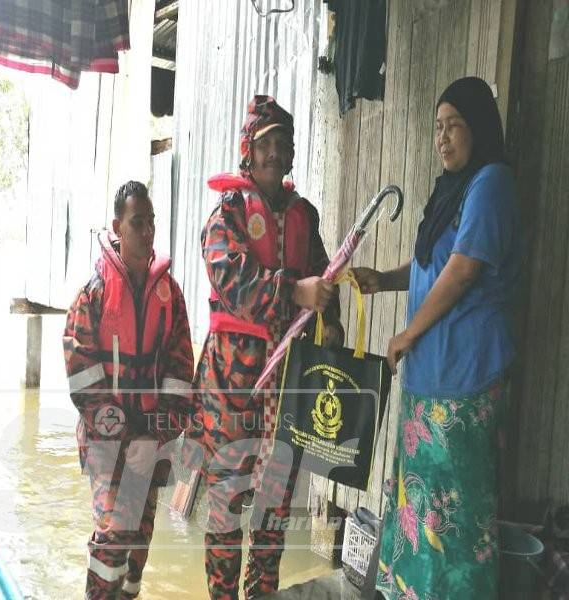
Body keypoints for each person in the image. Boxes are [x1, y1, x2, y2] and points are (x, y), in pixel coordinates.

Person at [352, 77, 521, 598]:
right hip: (431, 377)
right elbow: (433, 263)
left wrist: (406, 333)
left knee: (456, 513)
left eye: (454, 126)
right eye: (437, 128)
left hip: (464, 376)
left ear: (479, 128)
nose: (443, 138)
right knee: (421, 507)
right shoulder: (453, 188)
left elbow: (464, 270)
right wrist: (385, 279)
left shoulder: (490, 182)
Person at [195, 95, 343, 599]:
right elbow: (230, 277)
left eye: (285, 143)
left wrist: (331, 321)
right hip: (231, 384)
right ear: (248, 152)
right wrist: (292, 291)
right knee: (226, 502)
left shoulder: (305, 215)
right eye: (267, 144)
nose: (277, 153)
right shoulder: (226, 216)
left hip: (288, 384)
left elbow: (325, 278)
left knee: (276, 504)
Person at [63, 181, 194, 600]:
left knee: (140, 535)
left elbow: (180, 375)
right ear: (118, 227)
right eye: (139, 222)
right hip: (107, 440)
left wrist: (156, 436)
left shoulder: (169, 296)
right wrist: (125, 435)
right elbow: (82, 380)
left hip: (151, 438)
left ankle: (129, 593)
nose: (148, 230)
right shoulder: (93, 295)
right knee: (114, 530)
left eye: (152, 221)